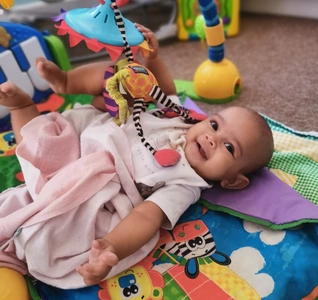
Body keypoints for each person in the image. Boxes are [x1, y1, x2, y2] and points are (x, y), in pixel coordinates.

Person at [0, 24, 274, 292]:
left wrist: (111, 247)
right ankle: (67, 81)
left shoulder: (185, 183)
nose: (212, 138)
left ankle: (21, 107)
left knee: (42, 153)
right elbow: (163, 89)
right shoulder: (183, 119)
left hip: (92, 174)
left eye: (229, 148)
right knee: (120, 75)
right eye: (215, 125)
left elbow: (146, 216)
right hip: (95, 128)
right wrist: (152, 58)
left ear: (233, 180)